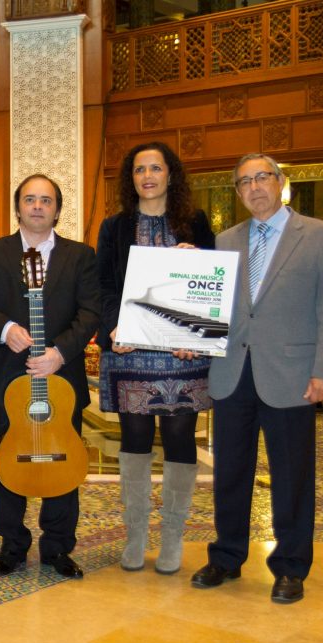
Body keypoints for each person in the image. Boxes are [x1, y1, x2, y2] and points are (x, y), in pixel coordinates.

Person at [191, 153, 323, 604]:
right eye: (244, 182)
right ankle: (226, 556)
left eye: (262, 177)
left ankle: (291, 566)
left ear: (281, 182)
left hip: (293, 375)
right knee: (230, 474)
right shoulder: (225, 240)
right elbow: (214, 307)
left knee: (292, 475)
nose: (255, 187)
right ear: (237, 193)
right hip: (232, 373)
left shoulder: (319, 237)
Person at [0, 174, 100, 578]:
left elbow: (90, 312)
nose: (38, 206)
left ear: (58, 209)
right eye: (30, 199)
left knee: (64, 461)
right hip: (8, 377)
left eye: (46, 200)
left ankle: (58, 547)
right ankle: (12, 545)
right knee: (10, 463)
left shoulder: (81, 256)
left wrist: (59, 353)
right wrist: (6, 330)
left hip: (62, 382)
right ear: (17, 207)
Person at [95, 142, 215, 575]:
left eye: (156, 168)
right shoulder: (114, 228)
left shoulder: (196, 223)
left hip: (183, 354)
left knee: (181, 443)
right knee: (135, 441)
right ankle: (135, 535)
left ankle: (172, 539)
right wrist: (113, 329)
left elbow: (211, 284)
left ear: (170, 175)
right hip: (132, 353)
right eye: (139, 169)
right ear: (131, 178)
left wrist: (198, 334)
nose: (147, 176)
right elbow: (105, 288)